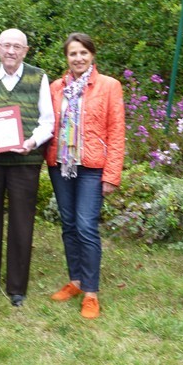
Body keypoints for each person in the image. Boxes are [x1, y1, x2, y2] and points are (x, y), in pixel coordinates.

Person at [0, 29, 55, 307]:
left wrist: (32, 142)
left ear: (26, 51)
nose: (11, 51)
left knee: (22, 222)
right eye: (6, 45)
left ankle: (17, 288)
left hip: (25, 161)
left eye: (17, 47)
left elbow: (48, 121)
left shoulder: (38, 77)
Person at [45, 32, 125, 319]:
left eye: (83, 53)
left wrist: (111, 175)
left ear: (92, 54)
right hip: (61, 165)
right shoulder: (56, 87)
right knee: (68, 224)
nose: (78, 58)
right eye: (72, 54)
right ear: (66, 57)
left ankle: (91, 292)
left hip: (92, 166)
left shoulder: (109, 86)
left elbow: (116, 133)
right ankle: (76, 281)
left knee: (86, 226)